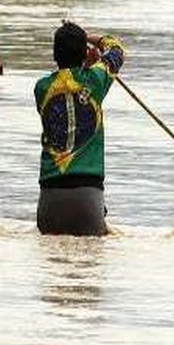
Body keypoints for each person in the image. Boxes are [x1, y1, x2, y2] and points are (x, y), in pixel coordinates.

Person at [35, 22, 126, 236]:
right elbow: (116, 49)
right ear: (84, 54)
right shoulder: (95, 80)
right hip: (88, 198)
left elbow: (67, 89)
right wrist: (90, 39)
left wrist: (85, 62)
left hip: (50, 199)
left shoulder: (41, 88)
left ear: (55, 55)